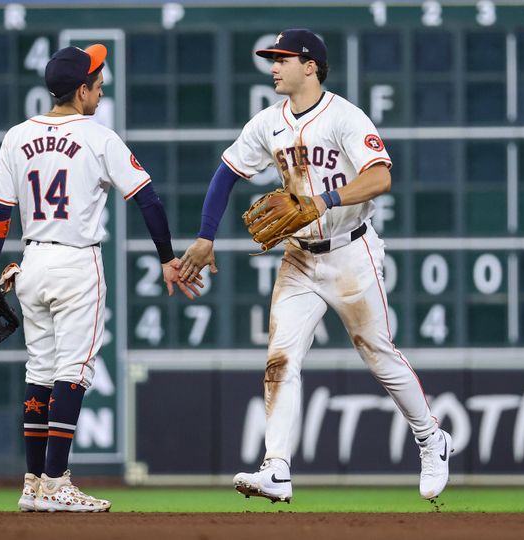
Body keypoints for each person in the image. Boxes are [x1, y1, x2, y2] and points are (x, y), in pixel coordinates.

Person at [179, 29, 452, 503]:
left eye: (282, 58)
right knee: (280, 359)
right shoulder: (268, 123)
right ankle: (277, 468)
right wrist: (206, 236)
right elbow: (225, 175)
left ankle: (431, 439)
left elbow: (381, 176)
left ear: (310, 66)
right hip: (300, 257)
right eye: (272, 58)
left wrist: (323, 200)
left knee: (379, 356)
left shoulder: (345, 117)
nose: (273, 66)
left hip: (352, 252)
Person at [0, 43, 202, 512]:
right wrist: (166, 257)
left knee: (39, 373)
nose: (100, 91)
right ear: (80, 91)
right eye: (97, 85)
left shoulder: (17, 136)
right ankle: (57, 483)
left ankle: (34, 484)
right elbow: (148, 199)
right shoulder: (99, 137)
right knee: (73, 373)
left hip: (31, 263)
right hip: (77, 263)